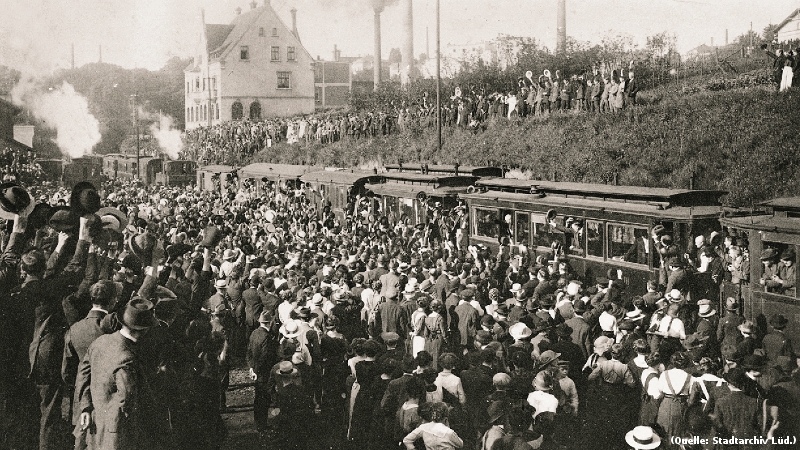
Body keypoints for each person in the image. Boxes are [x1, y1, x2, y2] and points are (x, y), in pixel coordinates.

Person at [75, 298, 163, 450]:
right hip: (117, 435)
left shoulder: (100, 342)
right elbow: (127, 400)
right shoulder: (128, 358)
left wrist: (85, 407)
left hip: (95, 425)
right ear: (144, 329)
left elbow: (83, 375)